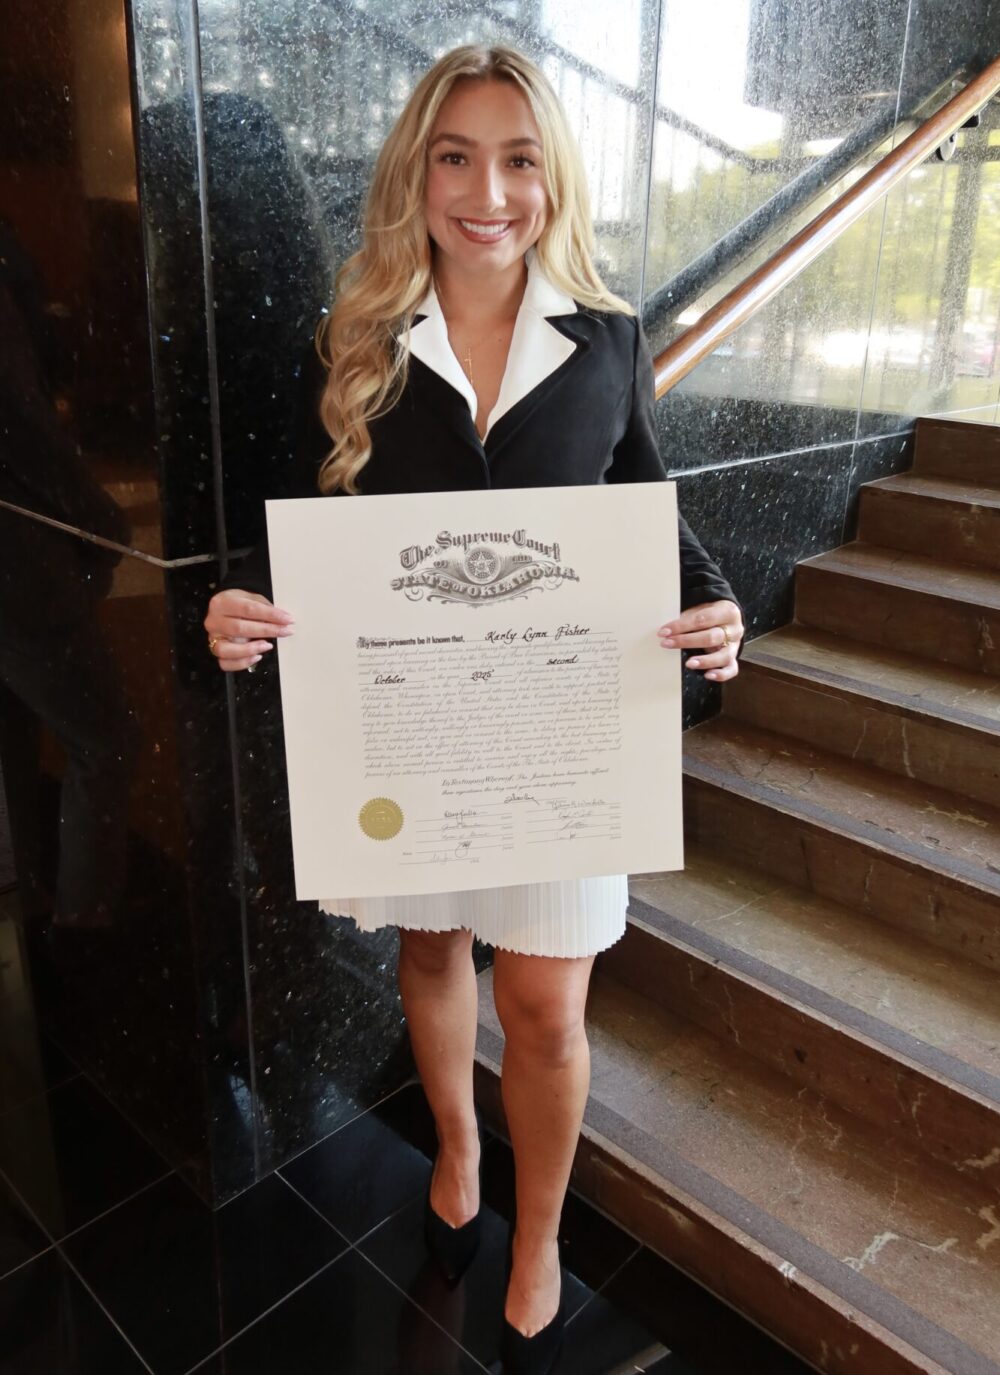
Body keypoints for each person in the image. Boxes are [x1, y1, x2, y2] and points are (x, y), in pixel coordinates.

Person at [204, 44, 744, 1375]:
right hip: (417, 732)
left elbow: (650, 515)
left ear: (551, 178)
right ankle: (455, 1148)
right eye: (456, 156)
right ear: (417, 173)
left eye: (517, 159)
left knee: (552, 1014)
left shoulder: (608, 343)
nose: (486, 191)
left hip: (561, 736)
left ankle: (541, 1228)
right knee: (435, 955)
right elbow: (295, 536)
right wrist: (235, 607)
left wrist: (716, 605)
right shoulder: (358, 340)